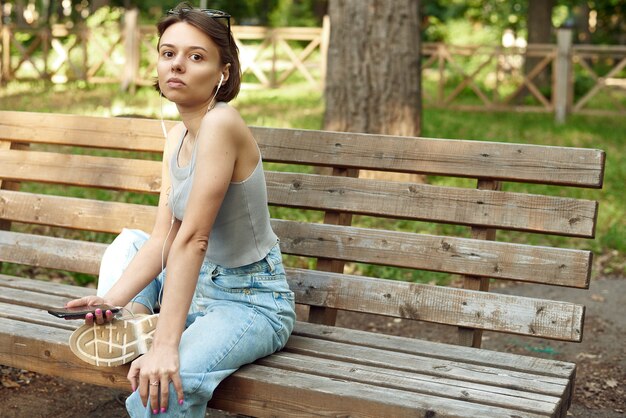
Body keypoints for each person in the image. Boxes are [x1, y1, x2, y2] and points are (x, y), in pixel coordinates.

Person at [64, 3, 296, 417]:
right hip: (194, 286)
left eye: (196, 57)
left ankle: (157, 337)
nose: (178, 66)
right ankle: (132, 323)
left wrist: (168, 348)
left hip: (249, 302)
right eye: (168, 53)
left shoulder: (222, 123)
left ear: (223, 72)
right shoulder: (175, 136)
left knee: (162, 387)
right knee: (129, 242)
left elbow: (194, 238)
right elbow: (162, 239)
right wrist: (110, 301)